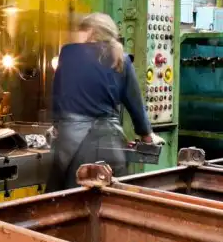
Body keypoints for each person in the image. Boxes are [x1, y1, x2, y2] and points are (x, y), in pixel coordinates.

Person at [45, 12, 164, 192]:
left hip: (72, 146)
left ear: (91, 31)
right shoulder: (122, 59)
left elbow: (57, 93)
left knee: (66, 199)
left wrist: (56, 125)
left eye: (81, 31)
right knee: (113, 199)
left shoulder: (68, 53)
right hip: (111, 144)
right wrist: (147, 136)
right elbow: (135, 105)